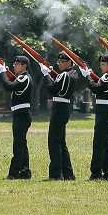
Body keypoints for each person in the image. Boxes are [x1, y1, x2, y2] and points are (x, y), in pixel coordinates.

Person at [42, 52, 79, 181]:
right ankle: (68, 173)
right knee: (61, 142)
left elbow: (52, 89)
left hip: (59, 108)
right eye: (58, 62)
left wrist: (46, 74)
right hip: (65, 108)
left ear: (69, 62)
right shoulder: (73, 74)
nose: (59, 64)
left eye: (62, 62)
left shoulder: (64, 75)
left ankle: (56, 174)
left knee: (54, 141)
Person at [0, 55, 34, 180]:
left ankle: (14, 173)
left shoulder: (24, 78)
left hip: (22, 114)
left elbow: (8, 86)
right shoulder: (20, 78)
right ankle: (25, 171)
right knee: (22, 144)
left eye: (17, 64)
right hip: (20, 113)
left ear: (24, 66)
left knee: (18, 145)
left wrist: (3, 72)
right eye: (14, 64)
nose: (14, 66)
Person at [85, 54, 108, 181]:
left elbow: (96, 88)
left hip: (105, 113)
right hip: (105, 112)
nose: (101, 67)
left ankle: (96, 173)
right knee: (105, 144)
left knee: (98, 143)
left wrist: (87, 76)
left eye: (103, 64)